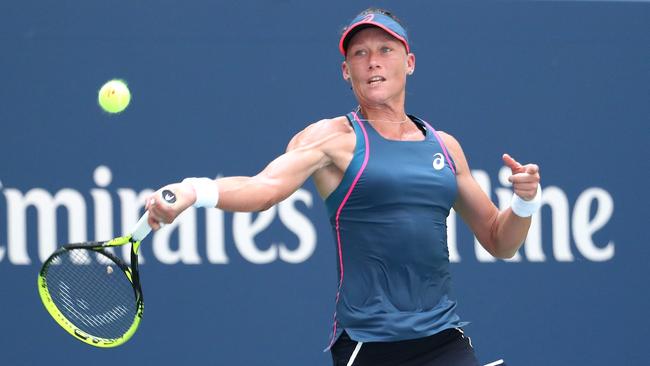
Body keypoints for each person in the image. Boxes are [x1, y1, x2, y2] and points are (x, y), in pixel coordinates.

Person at [145, 8, 541, 366]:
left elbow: (499, 241)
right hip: (369, 346)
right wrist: (193, 191)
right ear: (345, 71)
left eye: (385, 49)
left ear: (410, 62)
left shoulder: (445, 146)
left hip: (443, 340)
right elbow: (264, 187)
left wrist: (524, 203)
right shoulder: (332, 139)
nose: (372, 63)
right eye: (359, 54)